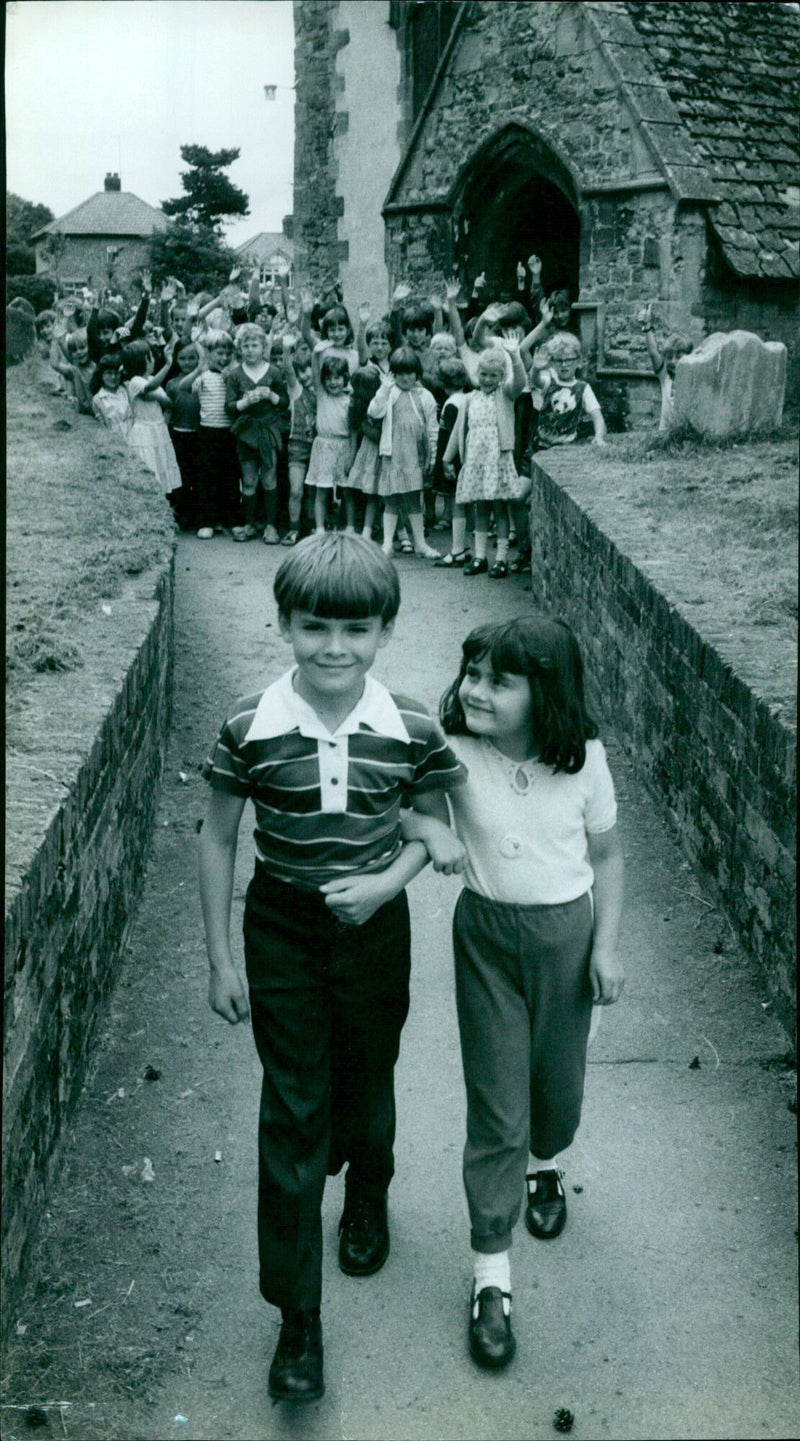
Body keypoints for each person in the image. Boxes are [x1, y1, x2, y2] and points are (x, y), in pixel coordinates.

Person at [198, 532, 467, 1403]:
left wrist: (384, 883)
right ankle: (298, 1318)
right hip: (279, 925)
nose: (334, 647)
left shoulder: (413, 725)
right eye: (315, 626)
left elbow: (433, 827)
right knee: (293, 1105)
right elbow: (218, 836)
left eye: (356, 629)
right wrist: (217, 958)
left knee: (365, 1079)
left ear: (385, 630)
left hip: (375, 929)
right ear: (284, 623)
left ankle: (368, 1190)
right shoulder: (248, 725)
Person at [404, 615, 624, 1370]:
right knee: (498, 1104)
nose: (476, 689)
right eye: (472, 673)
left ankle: (547, 1163)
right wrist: (431, 832)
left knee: (554, 1097)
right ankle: (491, 1276)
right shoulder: (454, 748)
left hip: (567, 938)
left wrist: (607, 945)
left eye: (500, 679)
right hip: (488, 940)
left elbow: (609, 854)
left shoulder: (584, 760)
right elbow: (410, 804)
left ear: (547, 691)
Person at [443, 343, 527, 578]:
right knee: (481, 509)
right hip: (476, 463)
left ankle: (500, 558)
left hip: (497, 461)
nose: (488, 379)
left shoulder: (505, 395)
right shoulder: (469, 399)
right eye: (483, 374)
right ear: (476, 374)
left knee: (500, 510)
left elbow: (520, 382)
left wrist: (514, 356)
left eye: (493, 375)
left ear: (501, 377)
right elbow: (459, 430)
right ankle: (480, 556)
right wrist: (447, 458)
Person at [367, 347, 440, 560]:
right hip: (393, 454)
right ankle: (388, 544)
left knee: (414, 500)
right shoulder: (389, 393)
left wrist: (432, 456)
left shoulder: (425, 396)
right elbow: (374, 412)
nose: (405, 378)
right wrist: (383, 390)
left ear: (417, 373)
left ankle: (420, 544)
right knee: (392, 499)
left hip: (415, 455)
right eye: (399, 373)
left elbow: (432, 428)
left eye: (409, 373)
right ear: (393, 374)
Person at [225, 323, 289, 544]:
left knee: (269, 478)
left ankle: (271, 526)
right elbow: (229, 407)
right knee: (249, 480)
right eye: (246, 345)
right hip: (246, 432)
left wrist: (270, 395)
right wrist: (245, 402)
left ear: (264, 347)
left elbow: (285, 403)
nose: (250, 349)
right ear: (240, 348)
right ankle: (249, 523)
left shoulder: (274, 372)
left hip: (268, 431)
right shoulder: (234, 375)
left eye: (255, 345)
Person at [178, 329, 242, 538]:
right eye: (218, 354)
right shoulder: (203, 375)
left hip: (230, 432)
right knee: (207, 477)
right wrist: (198, 370)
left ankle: (231, 520)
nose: (223, 358)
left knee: (230, 478)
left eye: (227, 354)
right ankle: (206, 520)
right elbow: (182, 386)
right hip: (207, 433)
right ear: (209, 353)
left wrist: (230, 378)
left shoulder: (233, 374)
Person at [346, 320, 393, 541]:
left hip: (390, 432)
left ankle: (398, 531)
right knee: (371, 488)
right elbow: (362, 348)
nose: (380, 346)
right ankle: (367, 528)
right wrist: (362, 325)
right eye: (375, 342)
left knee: (392, 488)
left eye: (384, 342)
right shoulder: (368, 367)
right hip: (371, 433)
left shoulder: (394, 368)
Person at [120, 340, 183, 504]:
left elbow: (167, 403)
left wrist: (162, 401)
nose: (154, 360)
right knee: (150, 468)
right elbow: (150, 389)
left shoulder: (152, 378)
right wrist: (168, 364)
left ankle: (161, 506)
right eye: (151, 357)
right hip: (144, 432)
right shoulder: (134, 381)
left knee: (162, 466)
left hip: (159, 429)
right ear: (145, 360)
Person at [304, 354, 354, 534]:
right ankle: (319, 528)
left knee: (347, 491)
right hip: (324, 446)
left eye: (337, 377)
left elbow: (354, 431)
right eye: (329, 378)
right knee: (322, 490)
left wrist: (352, 456)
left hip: (344, 445)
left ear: (345, 378)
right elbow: (316, 373)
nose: (333, 382)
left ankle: (349, 527)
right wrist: (316, 353)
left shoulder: (350, 400)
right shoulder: (321, 396)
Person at [532, 332, 607, 451]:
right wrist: (536, 369)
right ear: (552, 362)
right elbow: (536, 381)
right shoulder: (549, 380)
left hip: (567, 445)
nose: (564, 365)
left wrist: (599, 437)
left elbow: (597, 416)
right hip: (541, 444)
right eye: (559, 360)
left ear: (578, 362)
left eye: (569, 360)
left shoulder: (583, 388)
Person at [280, 333, 317, 546]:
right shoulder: (296, 390)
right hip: (297, 445)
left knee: (313, 491)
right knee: (296, 490)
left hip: (318, 446)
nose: (303, 375)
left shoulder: (323, 390)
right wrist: (286, 350)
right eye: (300, 371)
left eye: (307, 370)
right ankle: (293, 529)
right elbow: (288, 369)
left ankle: (311, 527)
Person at [165, 339, 203, 532]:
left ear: (198, 359)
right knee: (181, 477)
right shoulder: (172, 384)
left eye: (192, 358)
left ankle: (197, 517)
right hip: (178, 435)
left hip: (200, 435)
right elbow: (168, 413)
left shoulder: (202, 379)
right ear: (176, 360)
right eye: (183, 359)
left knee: (197, 476)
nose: (187, 362)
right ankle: (182, 516)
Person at [638, 303, 694, 431]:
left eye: (679, 356)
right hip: (665, 435)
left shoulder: (693, 377)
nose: (673, 361)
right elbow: (653, 352)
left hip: (687, 435)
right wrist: (646, 327)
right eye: (669, 357)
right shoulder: (665, 377)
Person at [91, 353, 132, 436]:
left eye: (116, 373)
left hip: (134, 436)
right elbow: (102, 426)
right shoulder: (98, 399)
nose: (113, 377)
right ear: (101, 374)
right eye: (109, 373)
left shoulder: (126, 389)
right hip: (116, 440)